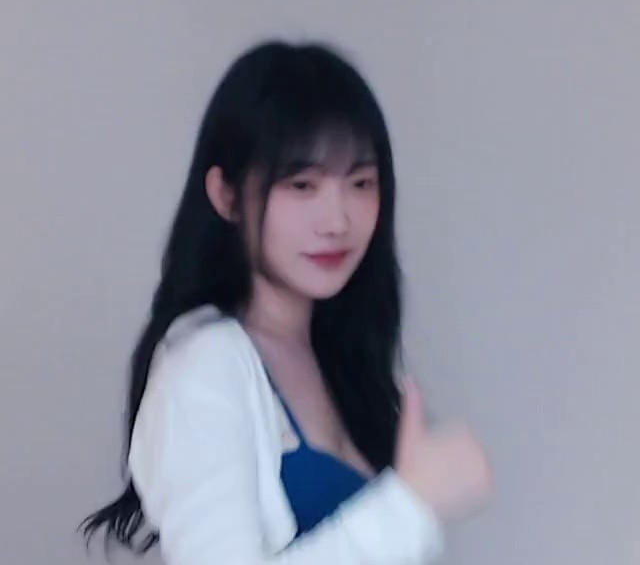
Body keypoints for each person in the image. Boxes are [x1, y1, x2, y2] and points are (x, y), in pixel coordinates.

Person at [79, 40, 492, 565]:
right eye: (302, 185)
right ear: (227, 195)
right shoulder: (205, 365)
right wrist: (413, 504)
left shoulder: (340, 356)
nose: (337, 220)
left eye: (360, 182)